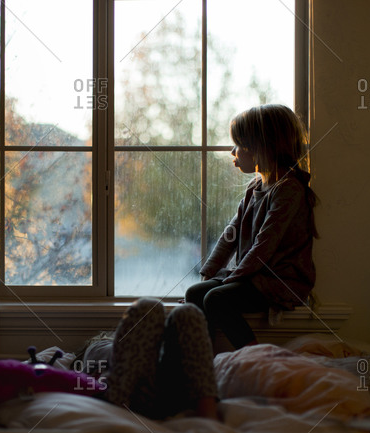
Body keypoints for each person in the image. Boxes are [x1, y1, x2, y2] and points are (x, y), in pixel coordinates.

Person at [185, 104, 319, 351]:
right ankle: (201, 363)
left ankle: (254, 357)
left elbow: (264, 246)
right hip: (254, 276)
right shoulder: (254, 187)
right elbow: (230, 234)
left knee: (216, 299)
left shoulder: (288, 189)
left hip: (280, 281)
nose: (232, 151)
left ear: (261, 147)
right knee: (195, 293)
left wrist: (230, 279)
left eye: (239, 144)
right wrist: (210, 271)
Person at [77, 298, 219, 421]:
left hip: (167, 389)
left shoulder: (103, 347)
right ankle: (208, 412)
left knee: (187, 313)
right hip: (132, 393)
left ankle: (207, 412)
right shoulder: (97, 346)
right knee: (149, 308)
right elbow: (87, 380)